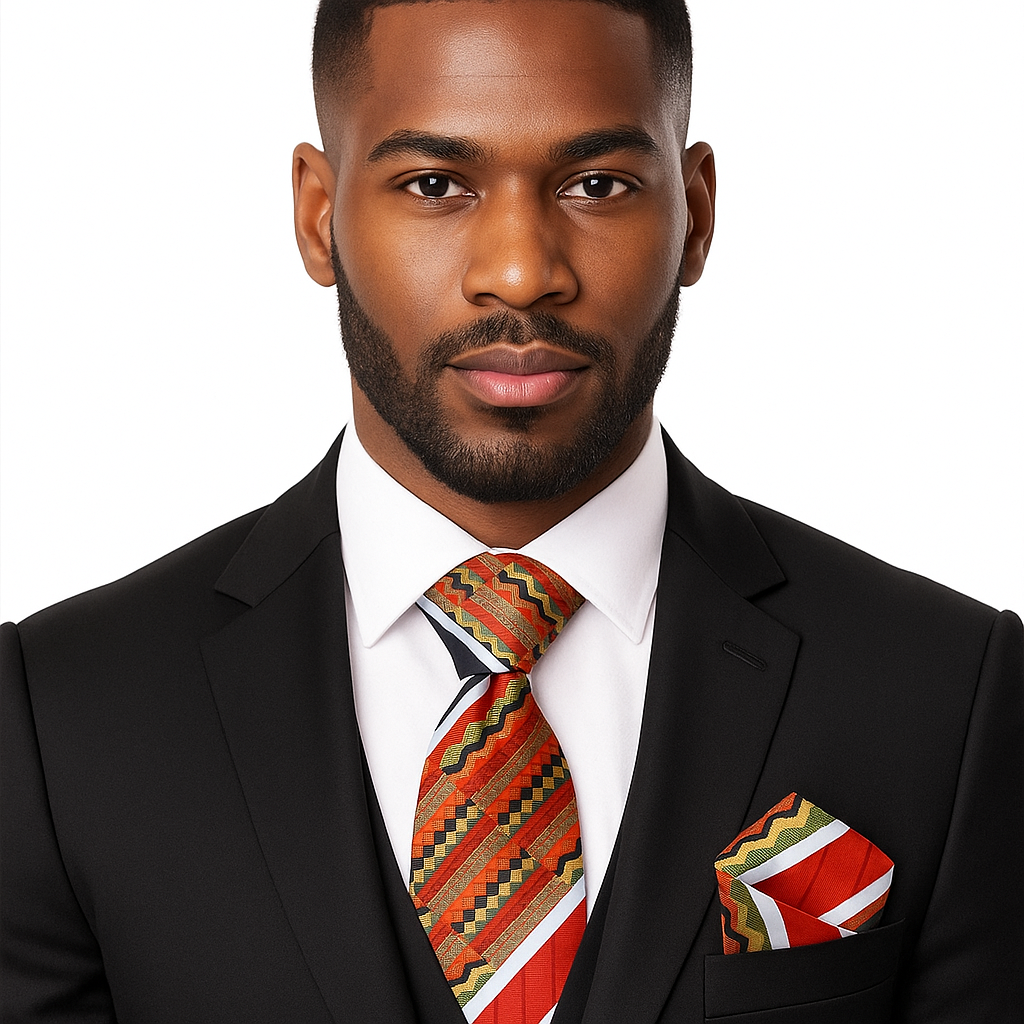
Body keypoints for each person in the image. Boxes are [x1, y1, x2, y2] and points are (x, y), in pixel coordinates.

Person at [1, 1, 1020, 1021]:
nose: (523, 273)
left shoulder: (947, 693)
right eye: (435, 185)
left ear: (695, 214)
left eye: (597, 184)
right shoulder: (64, 715)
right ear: (319, 215)